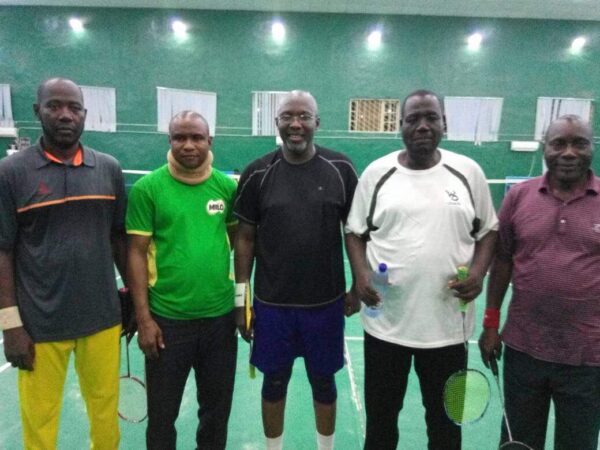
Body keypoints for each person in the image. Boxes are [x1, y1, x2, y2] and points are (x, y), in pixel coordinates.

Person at [345, 89, 498, 450]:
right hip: (386, 326)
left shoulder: (468, 172)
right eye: (413, 119)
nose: (423, 126)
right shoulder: (377, 173)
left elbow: (489, 230)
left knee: (445, 431)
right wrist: (361, 275)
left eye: (431, 117)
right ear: (400, 125)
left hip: (448, 331)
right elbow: (354, 232)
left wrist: (478, 272)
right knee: (381, 428)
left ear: (444, 123)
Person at [0, 77, 127, 449]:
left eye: (74, 107)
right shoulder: (10, 173)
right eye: (54, 106)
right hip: (39, 324)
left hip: (102, 319)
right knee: (39, 424)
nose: (65, 115)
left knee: (105, 416)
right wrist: (10, 325)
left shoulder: (108, 169)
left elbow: (120, 239)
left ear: (85, 114)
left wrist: (136, 301)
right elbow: (2, 251)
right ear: (37, 111)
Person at [233, 90, 358, 450]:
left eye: (304, 116)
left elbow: (355, 232)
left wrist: (358, 285)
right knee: (273, 383)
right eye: (287, 116)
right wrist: (241, 300)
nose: (296, 124)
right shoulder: (257, 172)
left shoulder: (341, 169)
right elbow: (244, 239)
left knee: (324, 383)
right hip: (273, 307)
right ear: (277, 123)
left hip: (326, 305)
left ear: (317, 122)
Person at [479, 115, 600, 450]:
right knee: (519, 443)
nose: (569, 152)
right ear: (545, 148)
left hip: (588, 358)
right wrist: (490, 324)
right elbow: (502, 261)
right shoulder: (519, 197)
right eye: (558, 143)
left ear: (592, 148)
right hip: (524, 351)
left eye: (579, 143)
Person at [126, 110, 238, 450]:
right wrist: (144, 319)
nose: (188, 145)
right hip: (167, 324)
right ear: (170, 140)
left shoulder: (227, 188)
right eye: (180, 137)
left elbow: (237, 242)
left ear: (210, 141)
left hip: (220, 321)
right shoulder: (148, 189)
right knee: (162, 417)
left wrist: (241, 304)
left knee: (216, 414)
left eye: (197, 137)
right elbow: (136, 253)